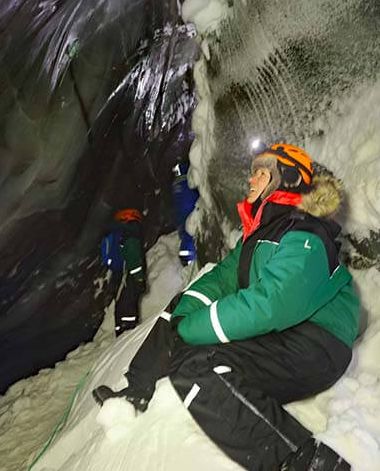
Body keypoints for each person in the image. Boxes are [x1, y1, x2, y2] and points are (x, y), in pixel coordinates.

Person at [93, 143, 359, 471]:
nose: (252, 178)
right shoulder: (259, 237)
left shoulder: (307, 233)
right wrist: (184, 316)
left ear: (287, 179)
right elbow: (218, 281)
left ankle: (303, 461)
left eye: (263, 172)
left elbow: (271, 303)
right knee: (181, 311)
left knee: (199, 366)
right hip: (284, 338)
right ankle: (136, 390)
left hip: (319, 345)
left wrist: (193, 328)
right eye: (253, 171)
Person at [101, 208, 147, 336]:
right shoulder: (130, 234)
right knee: (128, 307)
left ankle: (121, 333)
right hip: (130, 277)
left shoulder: (119, 234)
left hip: (122, 276)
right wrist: (139, 279)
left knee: (122, 306)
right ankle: (127, 335)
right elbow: (133, 258)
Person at [171, 160, 200, 265]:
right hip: (189, 211)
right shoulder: (188, 181)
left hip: (180, 215)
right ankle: (190, 261)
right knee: (190, 233)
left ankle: (187, 260)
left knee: (186, 233)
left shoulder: (175, 184)